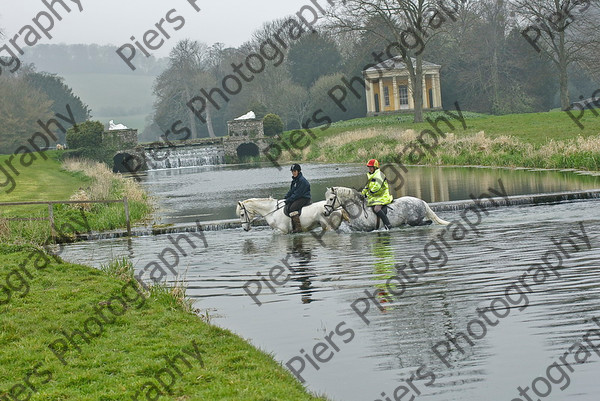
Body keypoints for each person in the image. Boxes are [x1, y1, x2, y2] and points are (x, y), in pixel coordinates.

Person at [361, 159, 393, 230]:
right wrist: (362, 193)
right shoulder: (370, 175)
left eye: (371, 167)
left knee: (376, 209)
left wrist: (368, 193)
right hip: (374, 198)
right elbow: (367, 186)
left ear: (375, 167)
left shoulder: (380, 175)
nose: (369, 168)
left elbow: (377, 187)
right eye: (369, 167)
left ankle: (387, 224)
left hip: (382, 197)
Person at [284, 164, 311, 233]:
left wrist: (289, 200)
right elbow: (292, 191)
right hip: (299, 197)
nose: (293, 173)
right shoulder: (295, 180)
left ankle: (298, 228)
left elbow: (297, 194)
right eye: (292, 171)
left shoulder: (302, 181)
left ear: (298, 171)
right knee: (288, 206)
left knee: (292, 208)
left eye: (295, 171)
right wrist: (286, 197)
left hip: (304, 198)